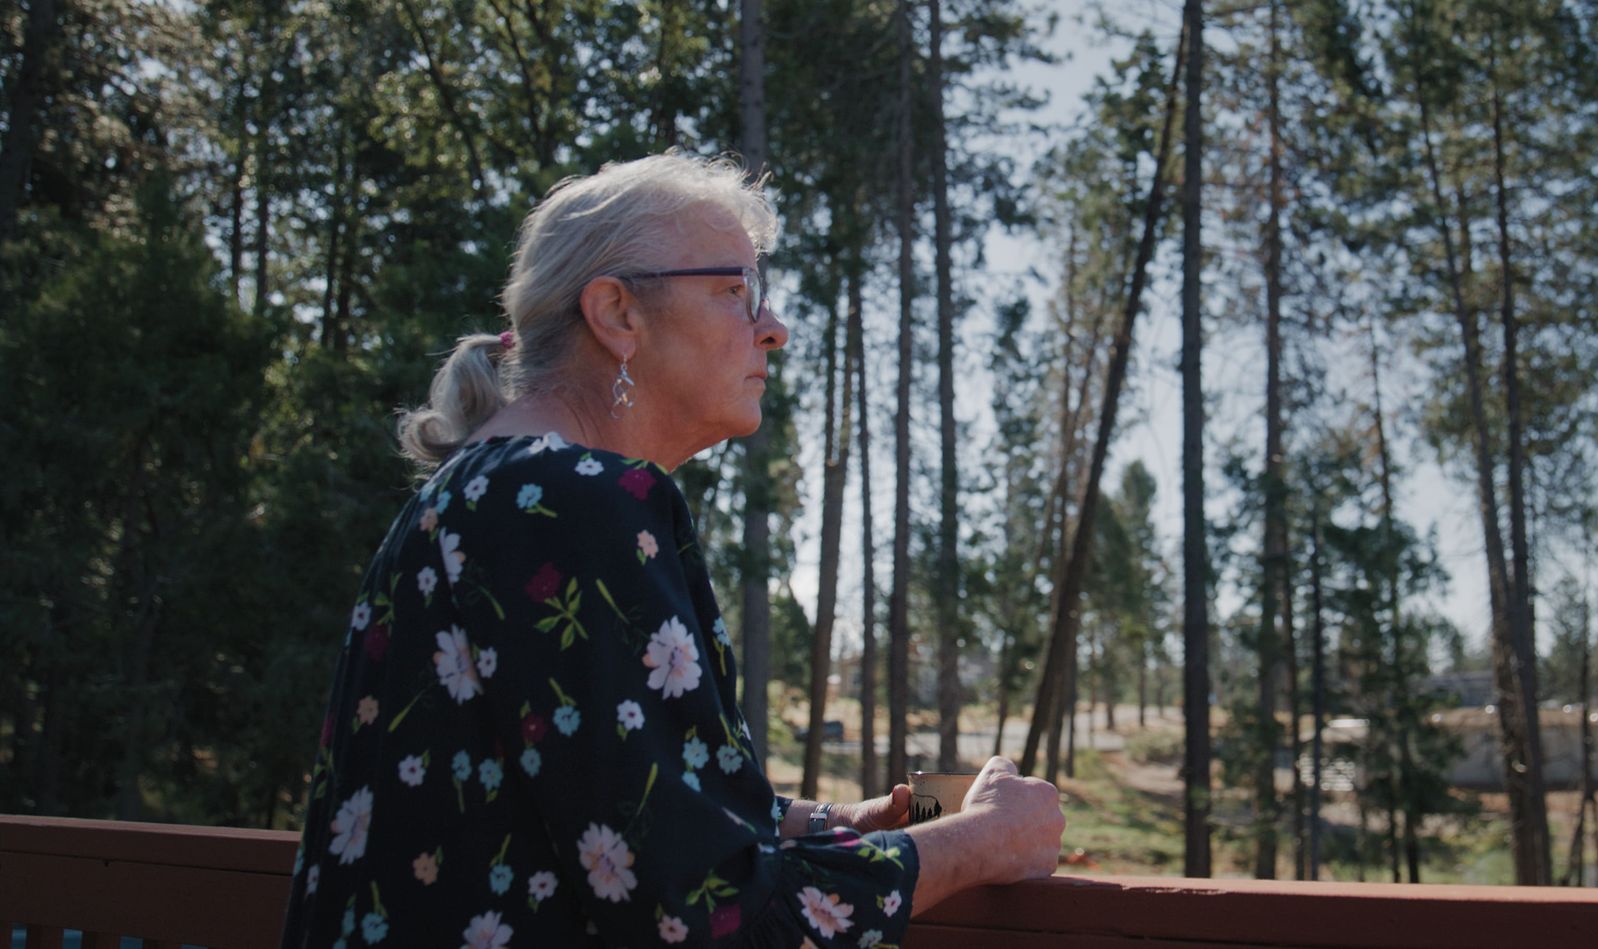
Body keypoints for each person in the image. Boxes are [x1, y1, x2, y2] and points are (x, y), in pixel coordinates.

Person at [281, 153, 1064, 947]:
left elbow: (626, 808)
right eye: (735, 290)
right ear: (618, 313)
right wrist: (982, 841)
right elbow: (708, 918)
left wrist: (846, 822)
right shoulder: (571, 499)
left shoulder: (480, 492)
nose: (774, 326)